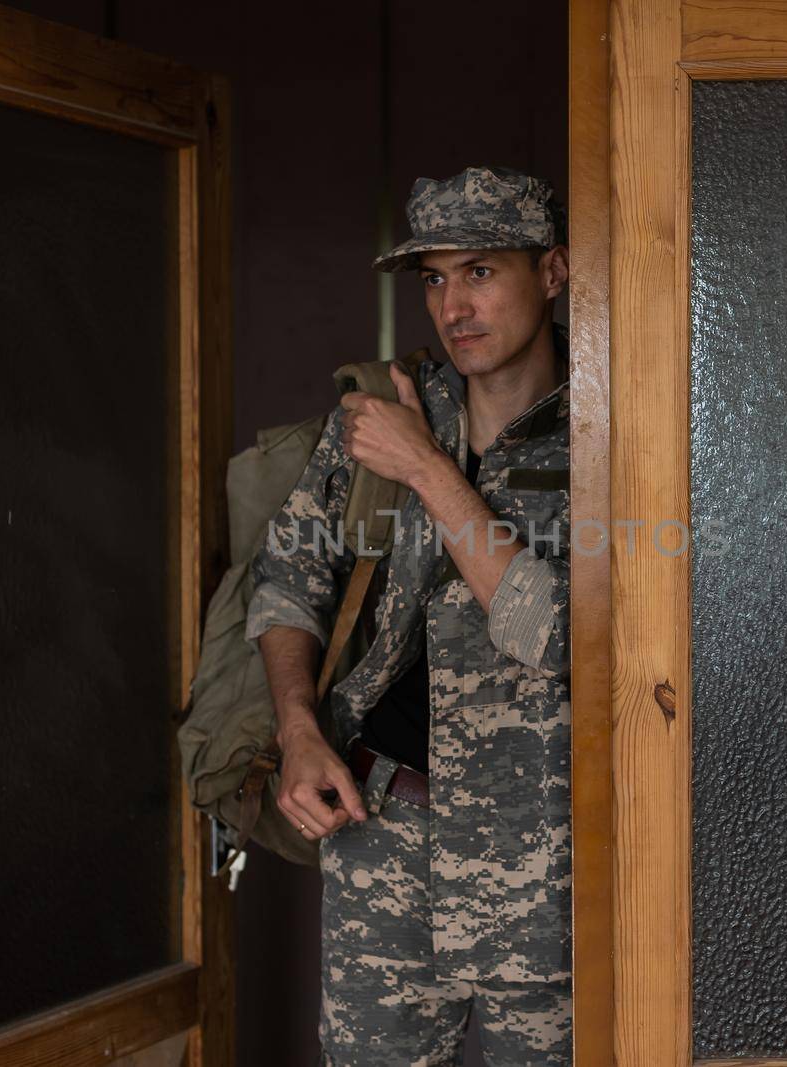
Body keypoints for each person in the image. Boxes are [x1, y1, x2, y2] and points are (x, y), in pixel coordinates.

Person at [245, 164, 573, 1066]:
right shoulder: (388, 412)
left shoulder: (609, 430)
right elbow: (287, 575)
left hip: (546, 859)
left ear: (553, 272)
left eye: (480, 271)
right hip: (381, 829)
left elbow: (558, 638)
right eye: (434, 278)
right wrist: (299, 727)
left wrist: (428, 467)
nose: (453, 306)